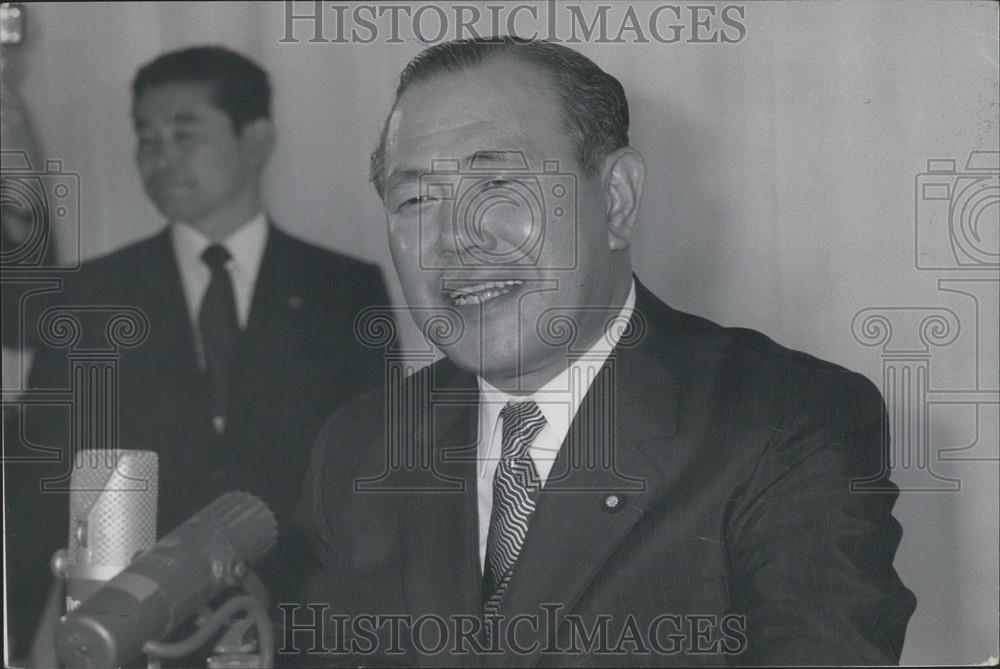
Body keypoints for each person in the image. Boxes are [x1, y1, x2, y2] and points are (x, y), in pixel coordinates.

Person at [287, 37, 916, 666]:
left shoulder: (788, 422)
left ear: (616, 199)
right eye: (416, 199)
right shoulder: (358, 449)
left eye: (500, 182)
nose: (454, 238)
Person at [3, 45, 391, 661]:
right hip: (126, 633)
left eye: (185, 134)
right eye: (146, 137)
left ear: (257, 139)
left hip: (298, 632)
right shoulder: (88, 295)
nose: (161, 157)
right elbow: (42, 482)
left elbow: (370, 483)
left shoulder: (343, 290)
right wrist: (33, 636)